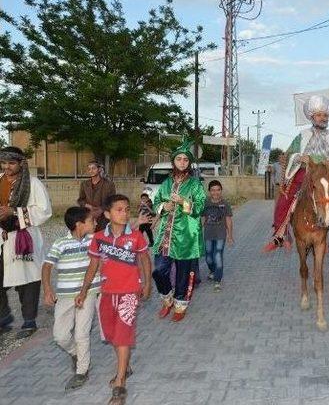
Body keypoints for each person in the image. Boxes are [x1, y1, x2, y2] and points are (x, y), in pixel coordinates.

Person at [75, 194, 151, 404]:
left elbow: (145, 260)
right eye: (119, 209)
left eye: (127, 209)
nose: (125, 213)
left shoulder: (135, 236)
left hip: (129, 293)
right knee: (111, 334)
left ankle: (120, 384)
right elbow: (92, 267)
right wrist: (83, 291)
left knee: (123, 335)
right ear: (107, 214)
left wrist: (146, 284)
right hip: (107, 293)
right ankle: (125, 365)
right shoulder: (98, 238)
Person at [267, 95, 329, 264]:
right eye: (320, 115)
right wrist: (299, 157)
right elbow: (290, 152)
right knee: (285, 200)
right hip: (305, 173)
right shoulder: (302, 135)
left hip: (327, 174)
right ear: (312, 117)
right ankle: (280, 233)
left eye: (325, 115)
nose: (324, 118)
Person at [42, 207, 98, 390]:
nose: (95, 223)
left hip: (88, 293)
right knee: (60, 335)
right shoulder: (60, 243)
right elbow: (47, 266)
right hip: (65, 296)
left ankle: (82, 371)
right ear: (79, 224)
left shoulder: (94, 241)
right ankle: (75, 353)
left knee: (82, 333)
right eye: (91, 221)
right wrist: (48, 289)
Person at [0, 146, 52, 338]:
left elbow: (44, 211)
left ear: (21, 163)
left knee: (27, 282)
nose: (7, 166)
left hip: (24, 238)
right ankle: (3, 317)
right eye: (4, 162)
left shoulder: (33, 183)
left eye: (11, 163)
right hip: (2, 237)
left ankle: (29, 322)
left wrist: (13, 212)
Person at [152, 139, 206, 322]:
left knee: (183, 275)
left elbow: (200, 207)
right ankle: (167, 299)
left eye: (185, 160)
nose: (182, 162)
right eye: (179, 159)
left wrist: (183, 201)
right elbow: (155, 202)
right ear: (173, 161)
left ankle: (180, 305)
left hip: (186, 236)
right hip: (165, 236)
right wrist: (163, 207)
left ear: (189, 163)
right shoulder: (165, 184)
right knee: (158, 271)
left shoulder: (195, 185)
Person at [202, 180, 234, 292]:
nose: (216, 192)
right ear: (209, 191)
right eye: (213, 190)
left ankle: (217, 281)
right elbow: (203, 217)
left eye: (218, 190)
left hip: (220, 235)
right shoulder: (205, 203)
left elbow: (228, 220)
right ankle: (212, 271)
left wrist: (230, 235)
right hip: (208, 235)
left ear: (221, 190)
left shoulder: (225, 204)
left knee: (218, 256)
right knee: (209, 258)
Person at [77, 160, 116, 232]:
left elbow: (113, 201)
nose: (91, 171)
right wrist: (87, 205)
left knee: (103, 238)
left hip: (104, 218)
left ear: (99, 169)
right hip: (89, 217)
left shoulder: (109, 184)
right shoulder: (84, 184)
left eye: (93, 168)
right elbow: (80, 200)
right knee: (90, 239)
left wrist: (101, 209)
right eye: (89, 169)